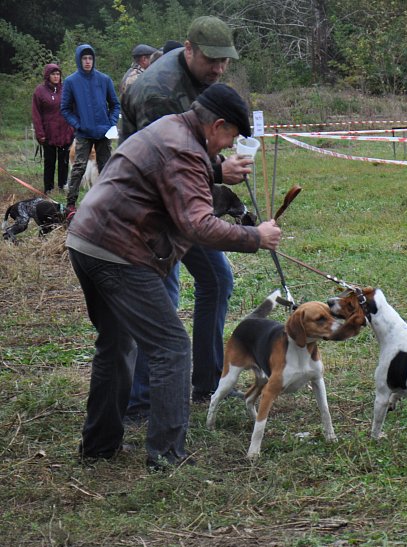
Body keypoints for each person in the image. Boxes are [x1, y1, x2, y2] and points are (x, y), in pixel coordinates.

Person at [67, 83, 282, 469]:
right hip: (120, 251)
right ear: (217, 125)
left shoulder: (172, 127)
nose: (228, 145)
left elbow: (177, 169)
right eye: (230, 137)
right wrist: (255, 236)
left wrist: (218, 169)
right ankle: (166, 455)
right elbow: (199, 225)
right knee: (171, 348)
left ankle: (99, 446)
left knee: (116, 345)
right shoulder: (185, 149)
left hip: (87, 240)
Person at [120, 16, 252, 424]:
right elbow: (163, 165)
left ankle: (208, 383)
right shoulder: (158, 93)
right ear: (189, 50)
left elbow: (198, 139)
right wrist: (218, 171)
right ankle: (142, 402)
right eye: (212, 60)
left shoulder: (199, 76)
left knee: (217, 279)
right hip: (145, 207)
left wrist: (218, 155)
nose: (219, 68)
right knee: (161, 299)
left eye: (224, 61)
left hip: (183, 201)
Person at [60, 44, 120, 215]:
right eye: (84, 58)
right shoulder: (71, 81)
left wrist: (111, 123)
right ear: (79, 60)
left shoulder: (104, 80)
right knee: (79, 167)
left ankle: (108, 202)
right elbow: (65, 109)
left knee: (106, 168)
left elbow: (115, 104)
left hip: (103, 132)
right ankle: (71, 205)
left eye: (90, 58)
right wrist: (78, 124)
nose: (87, 61)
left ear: (94, 60)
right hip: (84, 133)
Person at [32, 63, 74, 194]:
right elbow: (36, 114)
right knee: (49, 162)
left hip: (65, 132)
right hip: (48, 133)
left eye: (58, 74)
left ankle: (62, 188)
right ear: (47, 75)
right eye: (53, 74)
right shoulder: (40, 91)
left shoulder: (66, 89)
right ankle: (48, 189)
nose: (56, 76)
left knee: (64, 162)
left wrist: (73, 128)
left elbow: (73, 109)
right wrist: (40, 133)